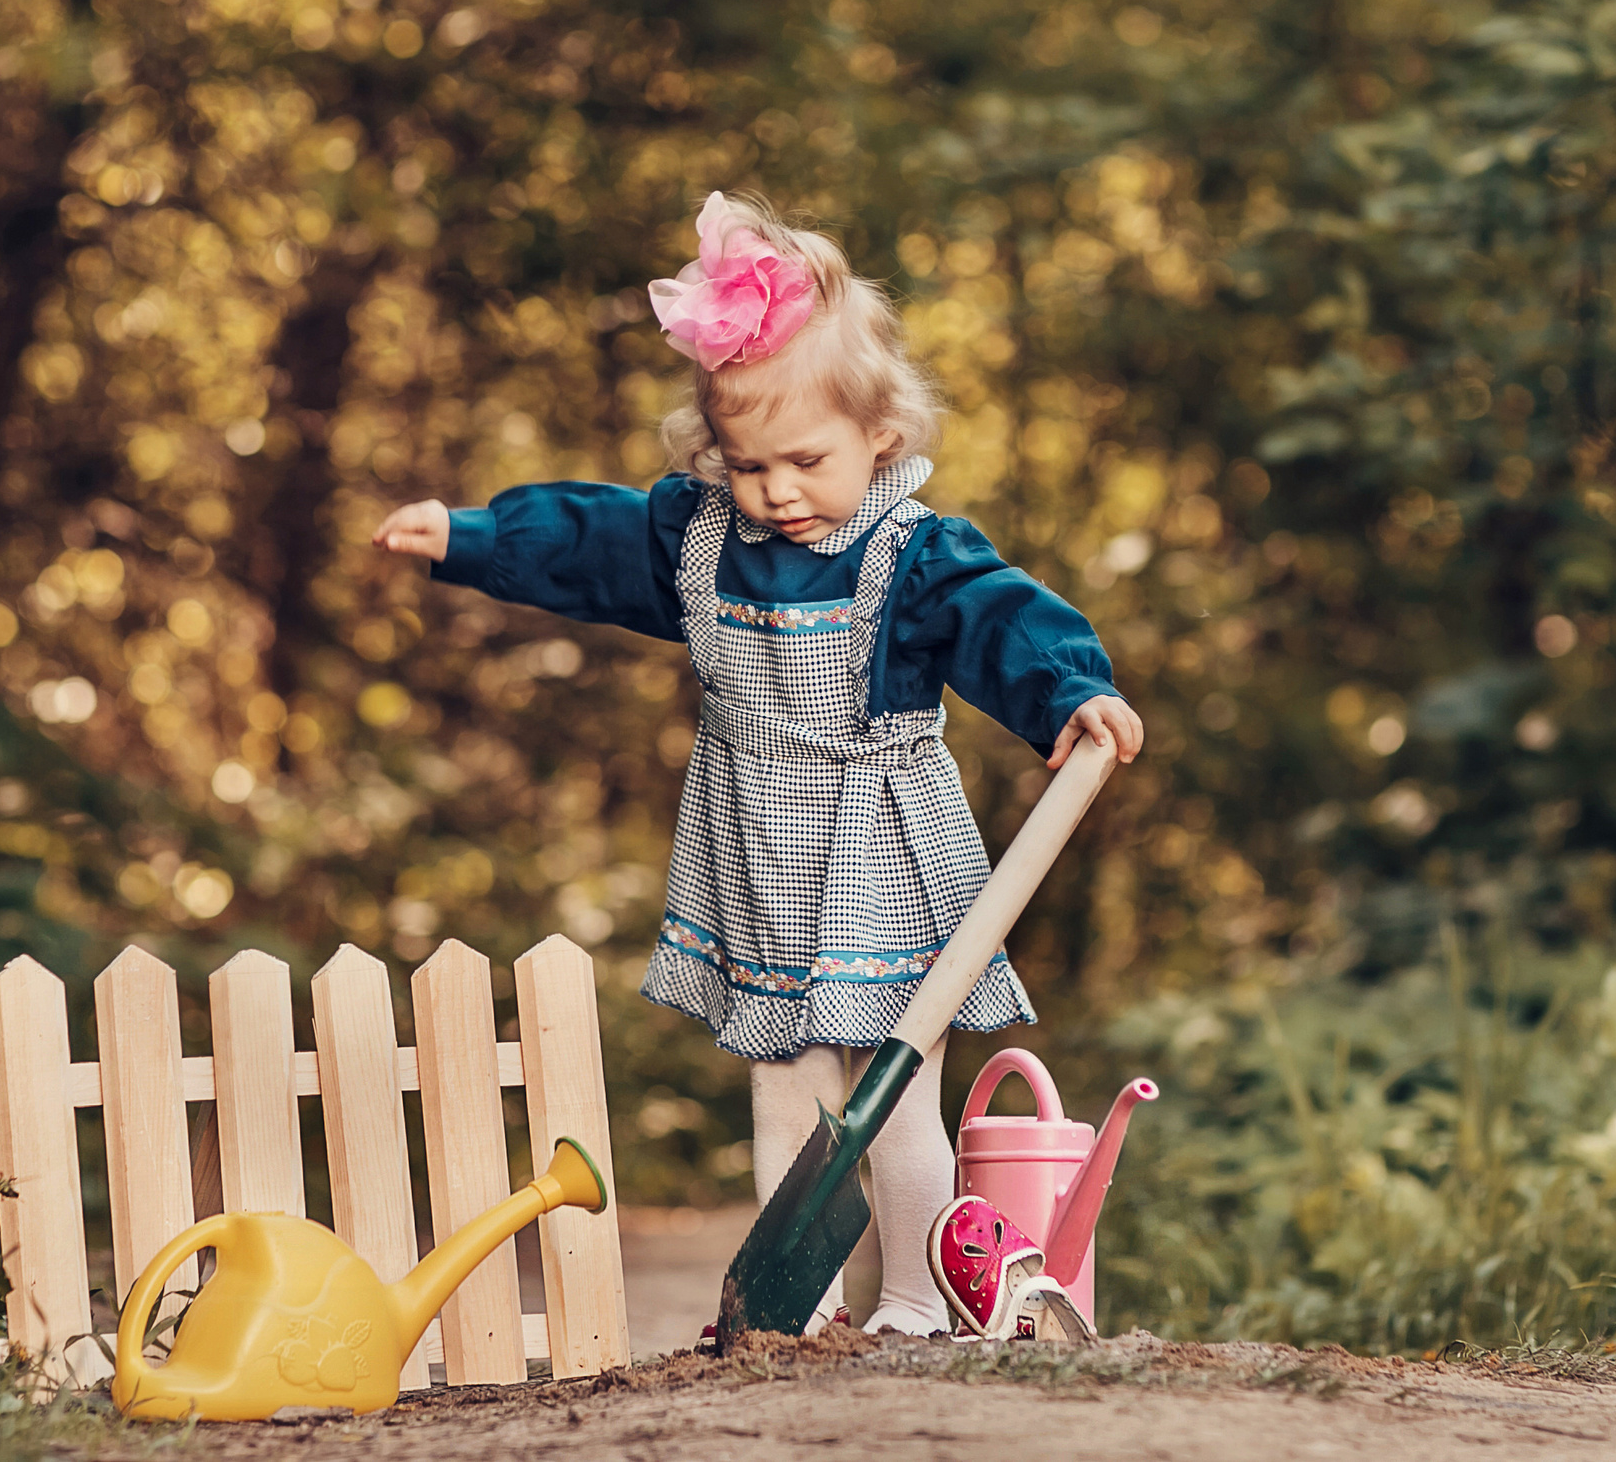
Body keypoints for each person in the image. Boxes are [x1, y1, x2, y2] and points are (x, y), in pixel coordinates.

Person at [374, 192, 1143, 1336]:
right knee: (782, 1073)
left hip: (873, 829)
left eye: (805, 459)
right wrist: (473, 535)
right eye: (747, 465)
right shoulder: (692, 536)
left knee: (894, 1089)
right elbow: (584, 543)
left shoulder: (913, 553)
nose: (777, 490)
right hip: (754, 840)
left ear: (882, 431)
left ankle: (917, 1301)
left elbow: (1003, 620)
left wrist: (1073, 690)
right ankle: (803, 1306)